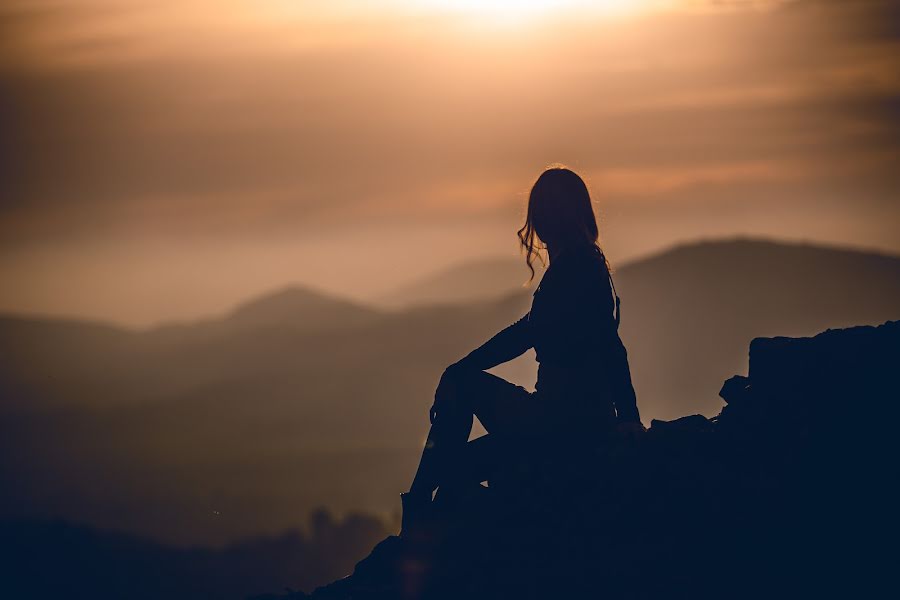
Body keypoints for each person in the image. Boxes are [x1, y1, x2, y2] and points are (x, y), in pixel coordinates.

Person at [401, 166, 644, 536]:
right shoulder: (583, 264)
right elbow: (556, 333)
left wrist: (628, 415)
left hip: (558, 423)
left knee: (462, 392)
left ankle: (419, 508)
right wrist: (625, 414)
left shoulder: (576, 269)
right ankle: (425, 509)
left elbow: (588, 341)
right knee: (457, 458)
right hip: (568, 420)